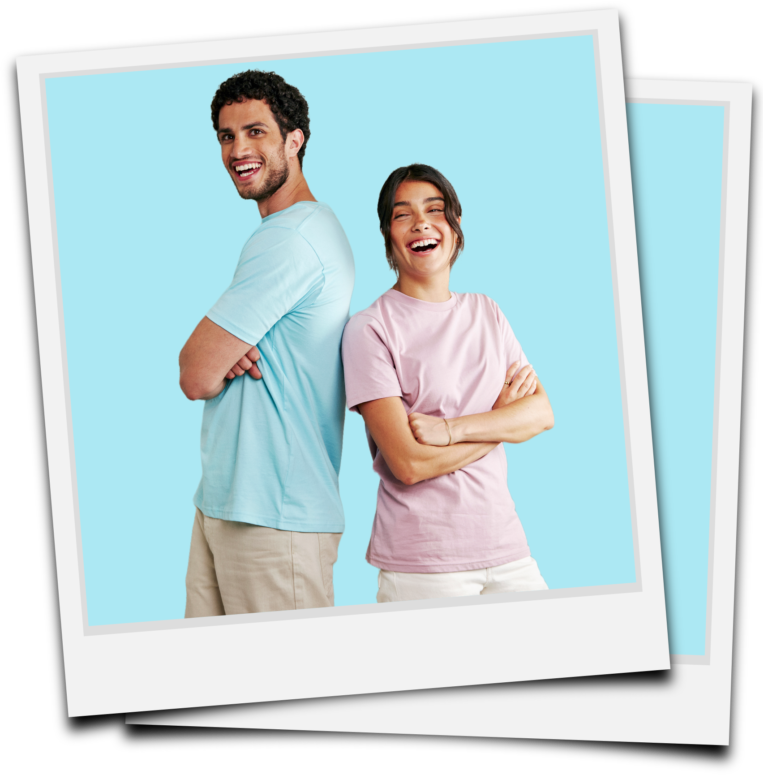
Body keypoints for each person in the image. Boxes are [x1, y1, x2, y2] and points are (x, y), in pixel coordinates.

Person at [179, 70, 355, 616]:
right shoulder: (283, 234)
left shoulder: (292, 236)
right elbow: (210, 362)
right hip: (225, 504)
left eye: (256, 132)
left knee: (283, 696)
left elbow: (196, 373)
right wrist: (227, 348)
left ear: (294, 140)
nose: (238, 150)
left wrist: (221, 351)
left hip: (276, 517)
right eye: (226, 137)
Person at [341, 164, 554, 602]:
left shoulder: (487, 312)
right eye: (403, 214)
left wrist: (451, 429)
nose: (420, 222)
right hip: (424, 563)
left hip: (508, 547)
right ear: (388, 236)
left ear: (455, 228)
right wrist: (499, 423)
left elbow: (541, 412)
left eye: (434, 209)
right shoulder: (370, 329)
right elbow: (409, 464)